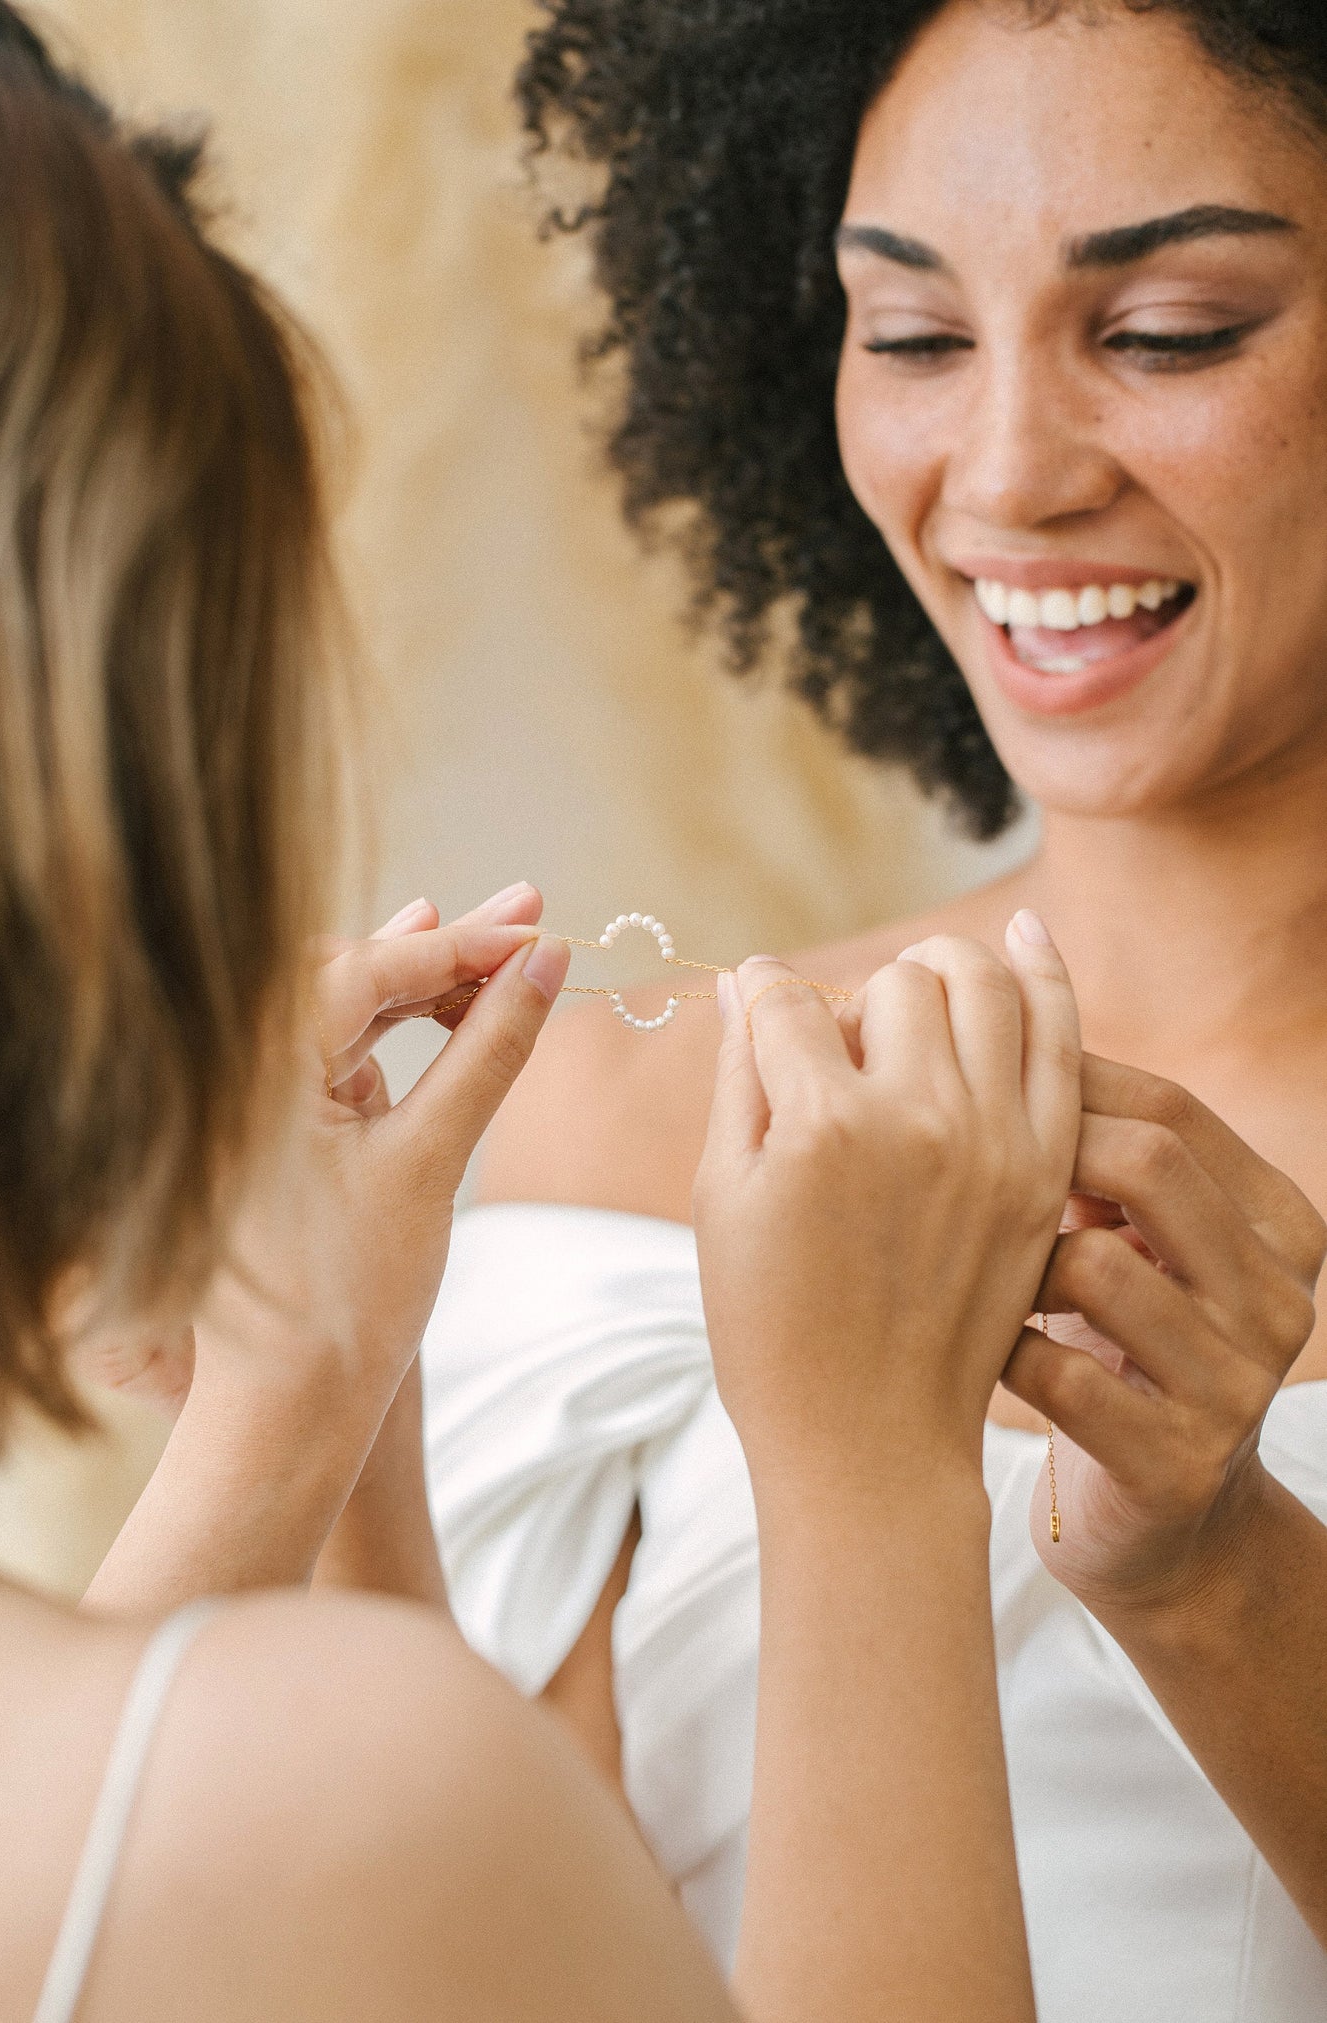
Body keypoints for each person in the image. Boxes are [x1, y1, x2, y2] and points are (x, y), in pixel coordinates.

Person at [0, 4, 1082, 2020]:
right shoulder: (339, 1801)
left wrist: (317, 1422)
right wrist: (875, 1484)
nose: (1022, 464)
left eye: (1170, 330)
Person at [423, 3, 1327, 2019]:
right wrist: (306, 1384)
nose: (1005, 469)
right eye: (912, 338)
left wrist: (1220, 1566)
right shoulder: (618, 1132)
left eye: (1170, 330)